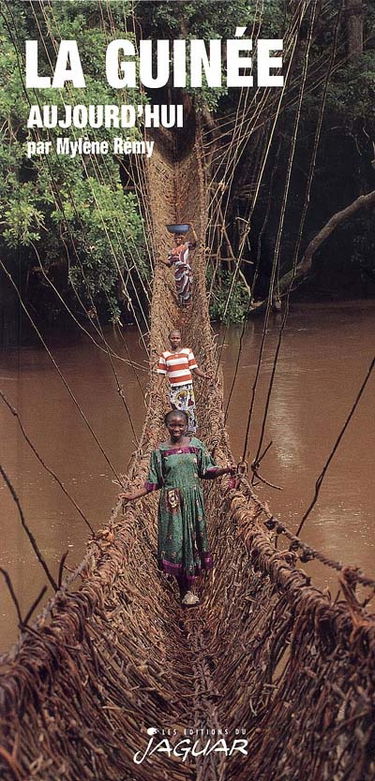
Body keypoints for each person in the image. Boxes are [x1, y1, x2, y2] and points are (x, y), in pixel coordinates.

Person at [120, 410, 236, 606]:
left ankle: (191, 585)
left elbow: (206, 471)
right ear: (166, 426)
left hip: (193, 500)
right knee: (176, 543)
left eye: (180, 425)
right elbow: (154, 482)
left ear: (187, 425)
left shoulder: (196, 445)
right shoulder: (160, 451)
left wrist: (225, 470)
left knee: (194, 540)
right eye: (172, 425)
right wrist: (133, 495)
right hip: (172, 503)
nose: (176, 429)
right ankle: (185, 590)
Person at [156, 329, 210, 434]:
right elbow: (161, 374)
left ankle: (190, 433)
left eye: (177, 338)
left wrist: (204, 375)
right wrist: (156, 389)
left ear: (180, 339)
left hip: (187, 387)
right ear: (169, 339)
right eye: (173, 338)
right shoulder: (164, 355)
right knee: (177, 412)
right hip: (174, 389)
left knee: (189, 411)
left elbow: (194, 368)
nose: (175, 340)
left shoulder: (187, 352)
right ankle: (180, 433)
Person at [159, 225, 198, 306]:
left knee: (187, 287)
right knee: (180, 289)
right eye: (176, 238)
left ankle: (188, 305)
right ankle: (182, 306)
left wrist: (193, 230)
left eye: (179, 238)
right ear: (174, 239)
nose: (178, 240)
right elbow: (169, 264)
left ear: (182, 239)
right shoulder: (172, 252)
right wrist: (161, 260)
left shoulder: (186, 246)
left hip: (185, 270)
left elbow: (196, 243)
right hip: (178, 273)